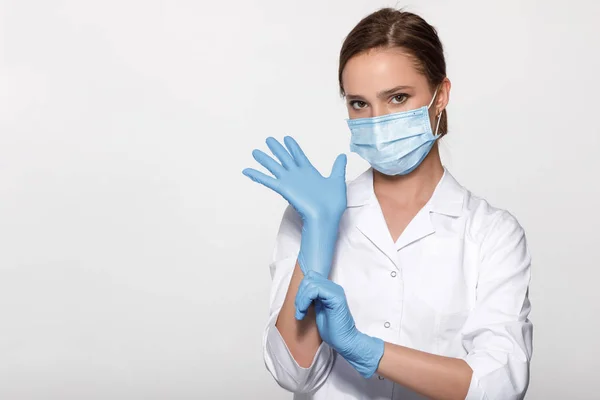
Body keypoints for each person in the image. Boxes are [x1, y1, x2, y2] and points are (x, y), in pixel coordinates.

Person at [242, 8, 532, 400]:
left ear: (440, 95)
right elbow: (291, 374)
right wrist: (320, 231)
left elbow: (500, 385)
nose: (377, 121)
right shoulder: (312, 213)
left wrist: (369, 351)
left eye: (397, 98)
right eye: (359, 104)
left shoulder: (491, 233)